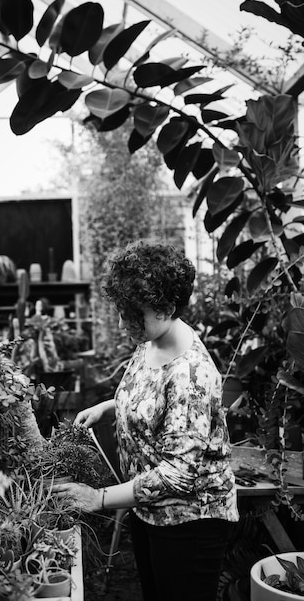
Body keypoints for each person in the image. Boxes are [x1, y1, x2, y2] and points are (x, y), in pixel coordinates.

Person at [51, 239, 239, 601]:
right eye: (121, 311)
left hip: (190, 521)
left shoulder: (192, 373)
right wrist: (111, 406)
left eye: (131, 314)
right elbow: (151, 396)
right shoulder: (152, 340)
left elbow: (178, 473)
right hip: (149, 506)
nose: (123, 323)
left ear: (167, 308)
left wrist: (99, 497)